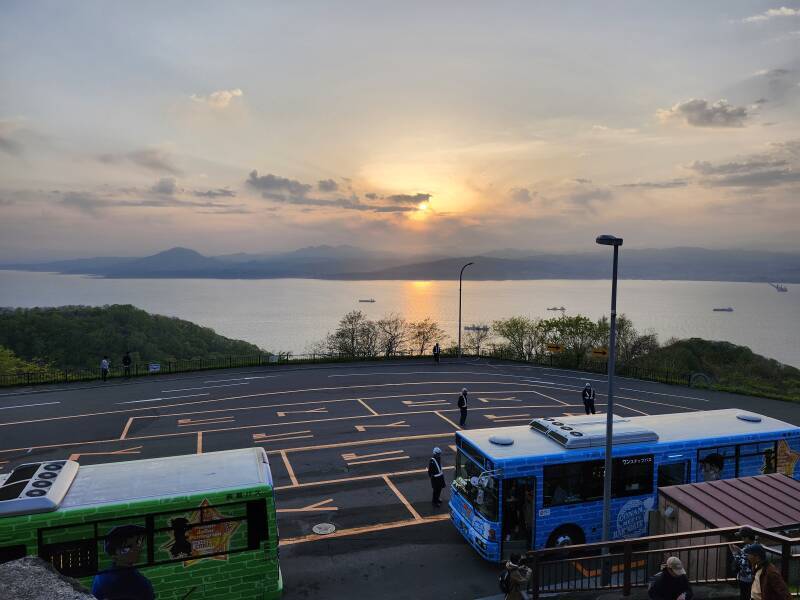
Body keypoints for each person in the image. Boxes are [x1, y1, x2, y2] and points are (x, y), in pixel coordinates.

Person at [92, 524, 155, 600]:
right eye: (127, 548)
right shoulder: (143, 583)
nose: (136, 550)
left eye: (138, 543)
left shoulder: (100, 578)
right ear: (114, 554)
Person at [729, 526, 756, 600]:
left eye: (742, 537)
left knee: (745, 596)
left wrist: (734, 552)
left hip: (747, 579)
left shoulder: (749, 549)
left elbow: (743, 564)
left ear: (747, 538)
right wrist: (740, 551)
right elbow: (745, 556)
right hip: (753, 578)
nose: (741, 539)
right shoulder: (756, 546)